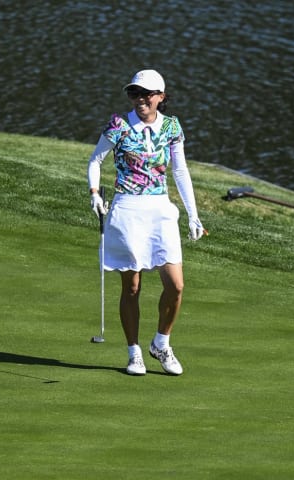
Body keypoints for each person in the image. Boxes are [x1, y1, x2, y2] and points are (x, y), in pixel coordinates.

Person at [86, 69, 204, 376]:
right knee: (133, 286)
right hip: (127, 209)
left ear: (161, 97)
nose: (140, 99)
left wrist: (193, 214)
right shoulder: (119, 125)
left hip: (160, 210)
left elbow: (180, 171)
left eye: (147, 94)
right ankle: (133, 352)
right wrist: (95, 194)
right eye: (134, 93)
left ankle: (161, 343)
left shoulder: (172, 127)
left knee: (176, 286)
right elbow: (96, 160)